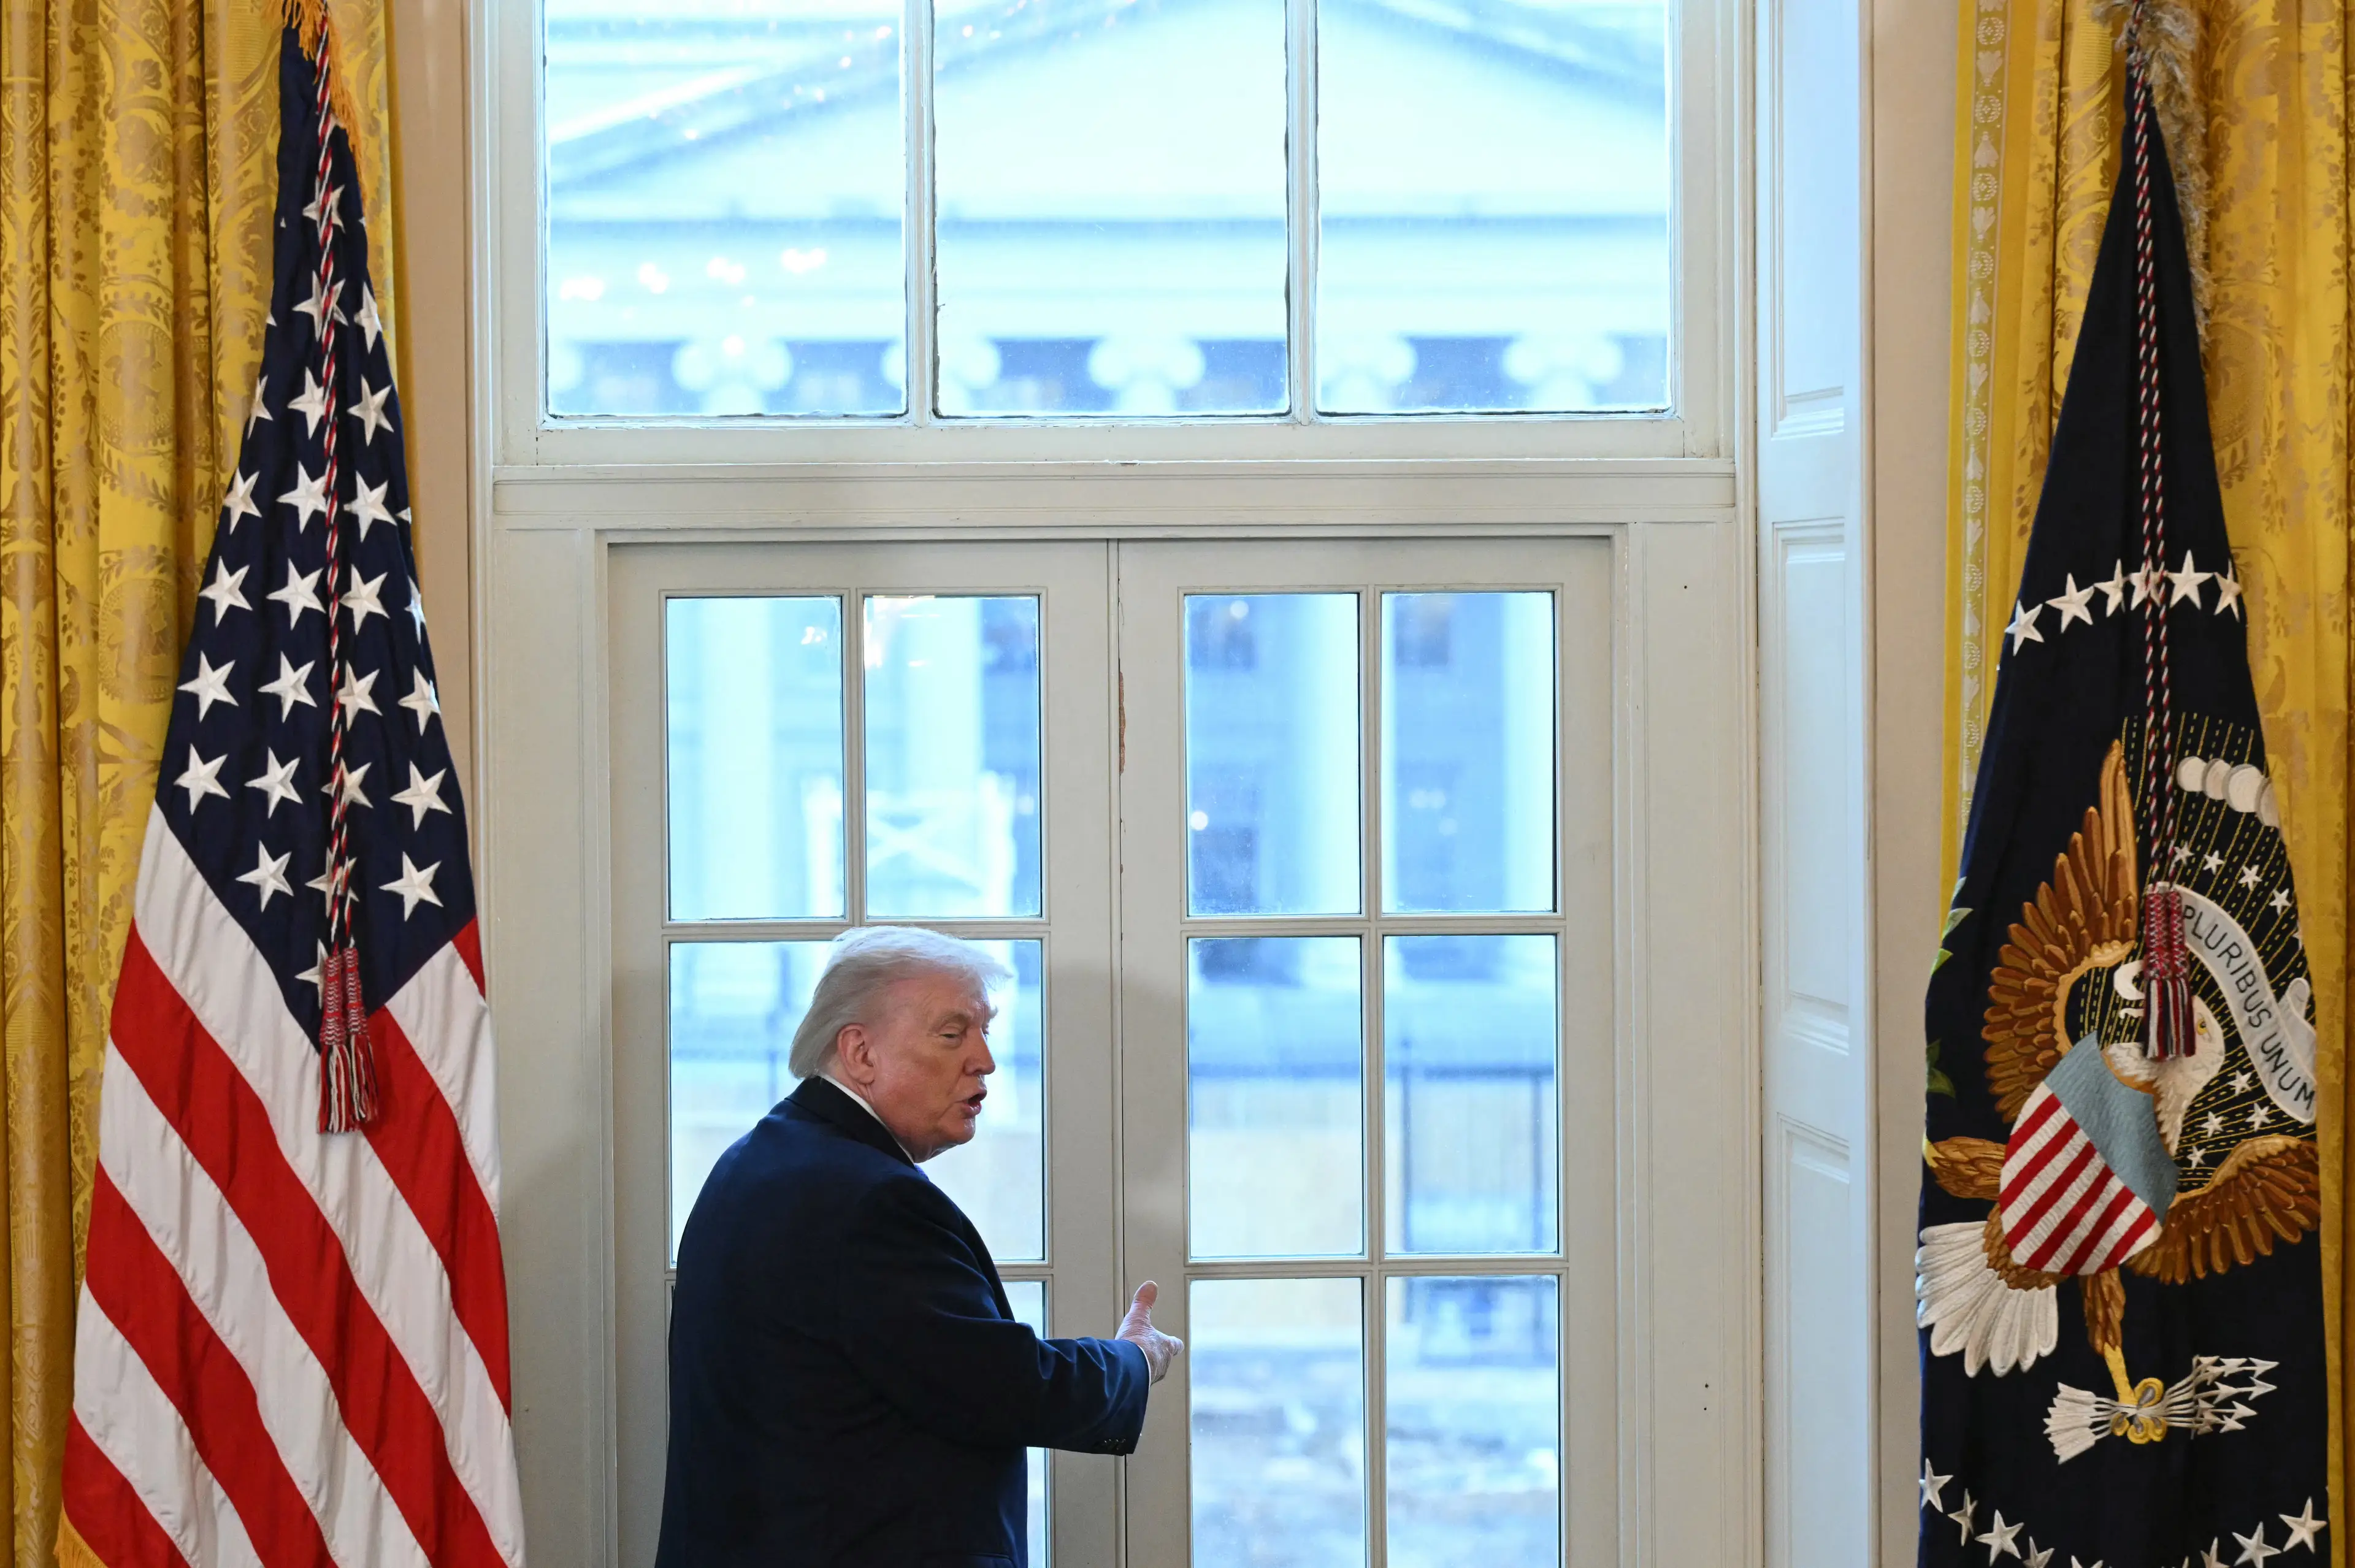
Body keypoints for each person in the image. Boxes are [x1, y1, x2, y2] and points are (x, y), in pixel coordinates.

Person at [655, 925, 1182, 1567]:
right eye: (952, 1033)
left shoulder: (762, 1159)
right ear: (860, 1052)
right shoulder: (869, 1202)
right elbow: (1002, 1387)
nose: (985, 1059)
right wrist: (1132, 1360)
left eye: (986, 1030)